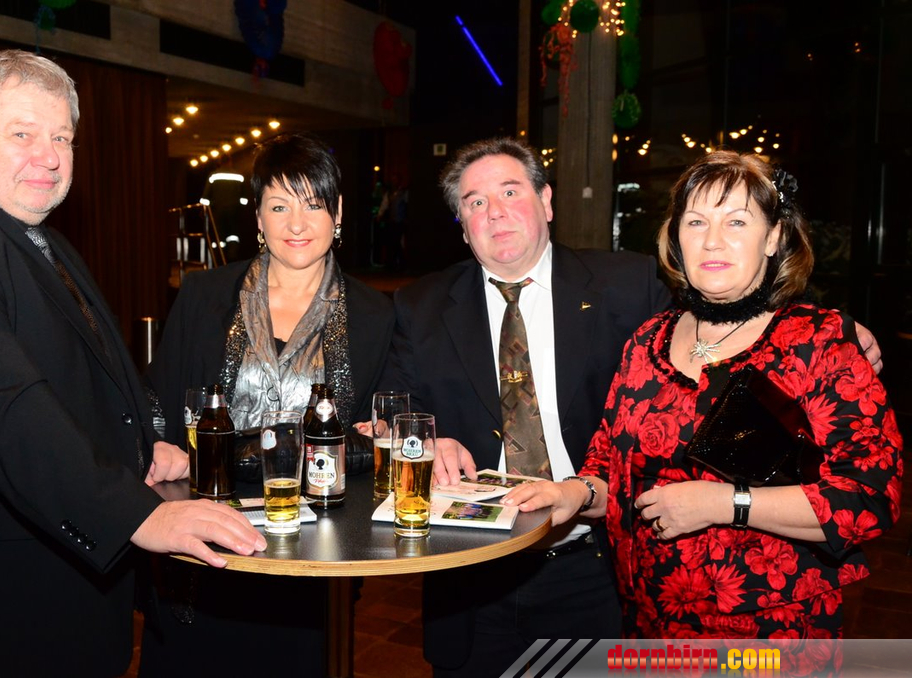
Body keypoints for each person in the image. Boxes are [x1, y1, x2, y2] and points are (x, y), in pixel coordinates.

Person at [382, 138, 884, 675]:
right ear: (462, 224)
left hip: (618, 577)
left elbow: (736, 306)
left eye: (510, 191)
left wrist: (832, 327)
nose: (495, 211)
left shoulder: (630, 286)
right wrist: (426, 440)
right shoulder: (423, 305)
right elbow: (393, 408)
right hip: (484, 571)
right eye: (475, 201)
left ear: (547, 201)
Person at [0, 50, 266, 677]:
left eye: (62, 137)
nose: (50, 157)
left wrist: (145, 447)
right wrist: (137, 513)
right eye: (23, 134)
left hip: (59, 592)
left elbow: (87, 377)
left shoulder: (42, 238)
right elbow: (1, 407)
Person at [505, 150, 903, 640]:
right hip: (648, 620)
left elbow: (869, 497)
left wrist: (726, 503)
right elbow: (611, 468)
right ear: (676, 238)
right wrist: (572, 493)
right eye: (696, 222)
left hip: (768, 632)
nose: (713, 240)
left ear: (773, 237)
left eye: (736, 221)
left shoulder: (817, 343)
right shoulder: (647, 342)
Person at [141, 132, 394, 676]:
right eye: (279, 206)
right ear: (258, 216)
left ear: (338, 214)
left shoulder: (375, 315)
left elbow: (382, 427)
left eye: (313, 205)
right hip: (206, 543)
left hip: (315, 554)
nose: (296, 224)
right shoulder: (205, 296)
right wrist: (161, 445)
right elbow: (157, 401)